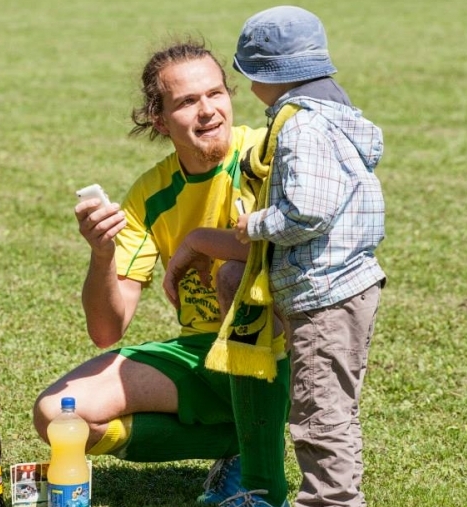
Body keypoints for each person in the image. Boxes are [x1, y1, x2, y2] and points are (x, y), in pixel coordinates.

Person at [33, 39, 291, 507]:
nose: (209, 111)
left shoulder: (265, 152)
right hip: (203, 352)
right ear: (158, 119)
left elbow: (287, 240)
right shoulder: (151, 195)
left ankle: (264, 485)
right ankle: (236, 440)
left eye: (216, 94)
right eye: (188, 101)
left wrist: (198, 242)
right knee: (58, 417)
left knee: (236, 274)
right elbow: (106, 329)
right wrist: (100, 255)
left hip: (283, 349)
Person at [231, 6, 387, 507]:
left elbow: (305, 214)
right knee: (332, 408)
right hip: (347, 286)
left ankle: (331, 501)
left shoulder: (301, 128)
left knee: (320, 415)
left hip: (324, 292)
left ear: (262, 76)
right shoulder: (336, 116)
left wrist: (252, 224)